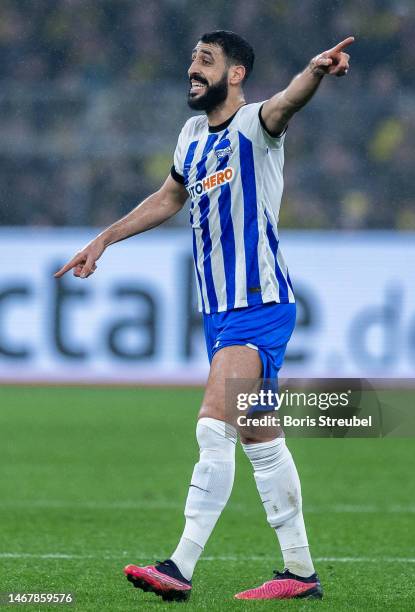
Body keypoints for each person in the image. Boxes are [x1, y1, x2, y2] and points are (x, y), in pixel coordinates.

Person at [55, 29, 353, 601]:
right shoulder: (192, 135)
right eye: (192, 59)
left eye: (206, 61)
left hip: (257, 305)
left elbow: (288, 100)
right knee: (261, 440)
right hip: (219, 313)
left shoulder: (256, 127)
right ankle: (300, 572)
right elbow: (170, 197)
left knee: (212, 426)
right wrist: (105, 239)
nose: (193, 69)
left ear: (235, 73)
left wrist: (315, 71)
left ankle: (180, 566)